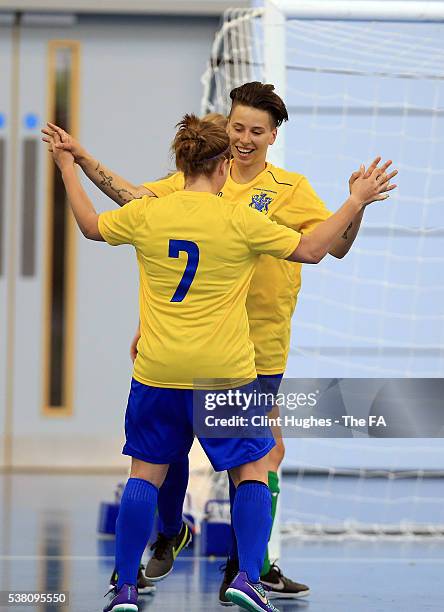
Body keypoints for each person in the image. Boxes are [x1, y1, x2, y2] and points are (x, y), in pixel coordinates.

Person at [43, 84, 397, 604]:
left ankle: (134, 580)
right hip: (228, 362)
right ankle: (243, 571)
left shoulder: (264, 192)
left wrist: (70, 164)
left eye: (256, 130)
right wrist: (357, 198)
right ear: (224, 151)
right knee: (251, 463)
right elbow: (313, 249)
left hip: (203, 354)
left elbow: (99, 223)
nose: (246, 138)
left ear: (272, 135)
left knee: (159, 462)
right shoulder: (236, 216)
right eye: (237, 129)